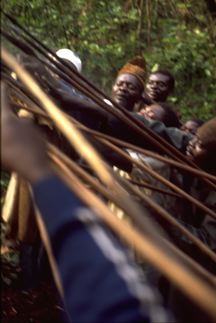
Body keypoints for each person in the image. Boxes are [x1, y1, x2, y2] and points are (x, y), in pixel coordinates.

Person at [1, 84, 170, 323]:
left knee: (121, 263)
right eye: (120, 83)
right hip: (73, 192)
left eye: (151, 117)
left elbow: (114, 305)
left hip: (116, 209)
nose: (145, 116)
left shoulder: (152, 146)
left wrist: (40, 169)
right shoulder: (105, 113)